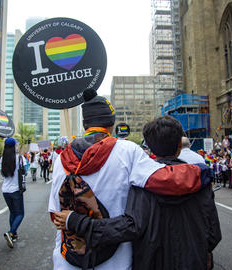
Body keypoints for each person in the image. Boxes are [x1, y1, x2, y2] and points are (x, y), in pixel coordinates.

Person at [48, 89, 211, 270]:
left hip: (68, 259)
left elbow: (55, 215)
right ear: (111, 123)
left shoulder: (61, 158)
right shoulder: (127, 151)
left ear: (85, 123)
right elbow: (166, 180)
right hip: (114, 260)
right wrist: (201, 171)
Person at [1, 137, 27, 249]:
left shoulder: (2, 158)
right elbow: (24, 172)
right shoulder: (20, 158)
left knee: (13, 212)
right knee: (20, 213)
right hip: (16, 190)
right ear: (14, 146)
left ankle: (14, 235)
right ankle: (11, 233)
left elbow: (2, 174)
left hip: (5, 190)